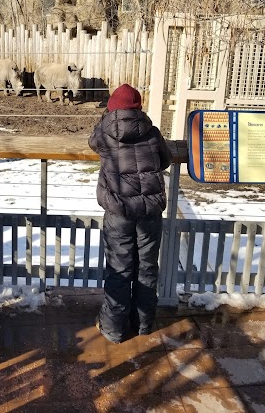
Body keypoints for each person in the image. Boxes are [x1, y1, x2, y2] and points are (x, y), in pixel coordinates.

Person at [88, 83, 173, 344]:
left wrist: (106, 118)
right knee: (146, 268)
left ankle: (114, 328)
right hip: (149, 212)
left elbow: (92, 143)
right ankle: (144, 323)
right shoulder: (152, 131)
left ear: (112, 107)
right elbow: (166, 160)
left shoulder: (104, 133)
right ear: (138, 107)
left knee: (119, 269)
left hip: (119, 211)